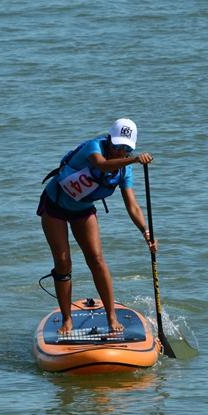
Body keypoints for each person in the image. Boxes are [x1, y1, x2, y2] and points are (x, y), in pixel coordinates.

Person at [38, 118, 157, 335]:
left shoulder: (124, 170)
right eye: (116, 145)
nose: (119, 151)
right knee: (63, 263)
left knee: (97, 259)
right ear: (109, 139)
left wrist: (145, 232)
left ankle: (112, 317)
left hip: (82, 209)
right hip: (54, 205)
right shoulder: (93, 147)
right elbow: (101, 165)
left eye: (125, 148)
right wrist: (133, 160)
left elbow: (132, 205)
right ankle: (67, 319)